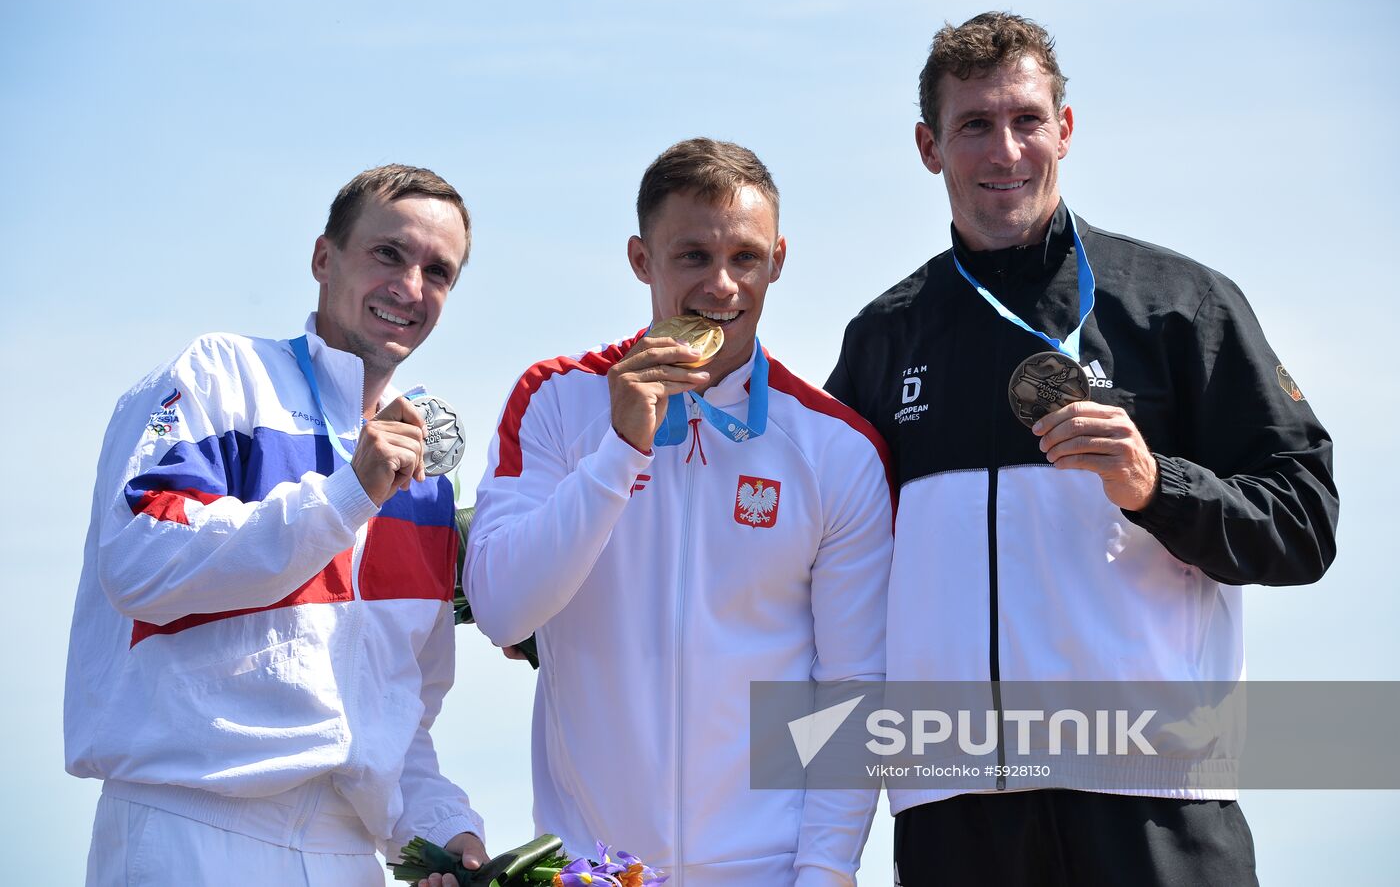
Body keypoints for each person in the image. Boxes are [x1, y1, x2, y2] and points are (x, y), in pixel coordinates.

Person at [826, 12, 1339, 885]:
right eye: (975, 125)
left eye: (1027, 119)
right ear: (928, 145)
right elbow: (804, 547)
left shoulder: (1181, 306)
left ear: (1065, 127)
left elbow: (1305, 523)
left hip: (1156, 802)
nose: (1006, 151)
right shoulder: (884, 338)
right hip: (955, 814)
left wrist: (1156, 484)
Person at [466, 138, 893, 886]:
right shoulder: (556, 400)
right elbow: (502, 611)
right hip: (594, 868)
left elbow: (851, 684)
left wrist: (825, 870)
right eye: (692, 255)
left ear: (779, 260)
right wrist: (620, 449)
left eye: (746, 258)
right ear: (641, 258)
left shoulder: (836, 446)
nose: (722, 286)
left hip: (766, 868)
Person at [64, 164, 488, 885]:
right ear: (324, 258)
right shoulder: (218, 376)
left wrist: (445, 832)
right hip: (191, 827)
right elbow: (138, 561)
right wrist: (347, 494)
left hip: (349, 856)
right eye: (388, 253)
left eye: (438, 271)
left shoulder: (423, 483)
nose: (411, 288)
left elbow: (397, 714)